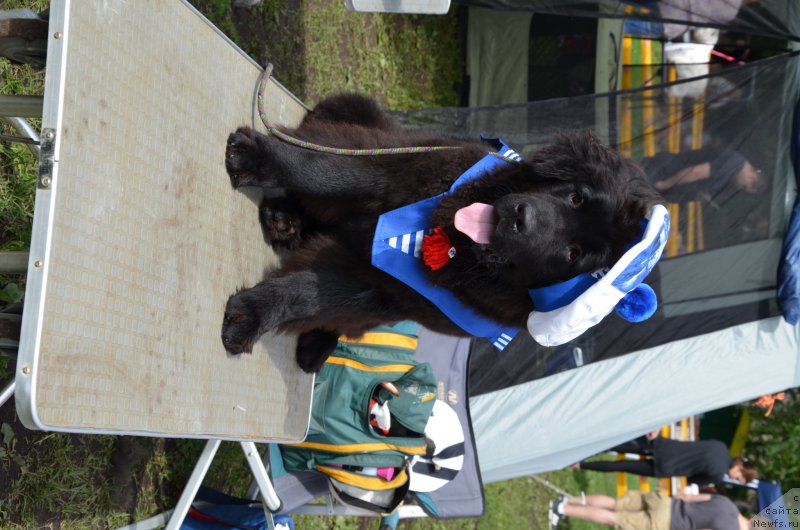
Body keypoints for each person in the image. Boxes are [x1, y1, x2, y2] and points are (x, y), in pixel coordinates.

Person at [576, 431, 758, 487]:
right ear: (740, 468)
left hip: (665, 446)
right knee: (620, 466)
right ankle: (580, 465)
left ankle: (585, 443)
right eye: (739, 478)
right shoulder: (717, 476)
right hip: (667, 467)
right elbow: (692, 480)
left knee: (617, 444)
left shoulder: (721, 445)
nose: (734, 479)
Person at [548, 490, 750, 530]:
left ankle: (567, 500)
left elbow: (687, 496)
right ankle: (563, 509)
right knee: (614, 518)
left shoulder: (727, 503)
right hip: (666, 524)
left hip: (666, 503)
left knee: (615, 503)